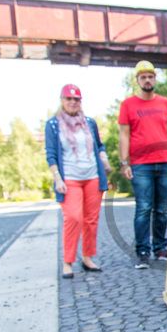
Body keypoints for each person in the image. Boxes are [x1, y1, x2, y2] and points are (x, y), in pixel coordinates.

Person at [45, 84, 110, 279]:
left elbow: (99, 145)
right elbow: (51, 154)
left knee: (91, 220)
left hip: (92, 176)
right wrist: (57, 178)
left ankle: (88, 258)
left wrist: (104, 158)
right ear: (62, 101)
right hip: (70, 179)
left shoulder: (89, 122)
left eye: (76, 99)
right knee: (73, 218)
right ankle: (68, 261)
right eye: (69, 99)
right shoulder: (53, 124)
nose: (73, 102)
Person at [118, 60, 167, 269]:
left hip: (164, 161)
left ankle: (160, 248)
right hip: (140, 164)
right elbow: (124, 135)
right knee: (144, 208)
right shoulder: (128, 105)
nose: (147, 80)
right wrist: (124, 162)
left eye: (150, 76)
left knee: (161, 209)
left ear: (155, 79)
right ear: (137, 80)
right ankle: (142, 251)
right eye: (143, 77)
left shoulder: (165, 103)